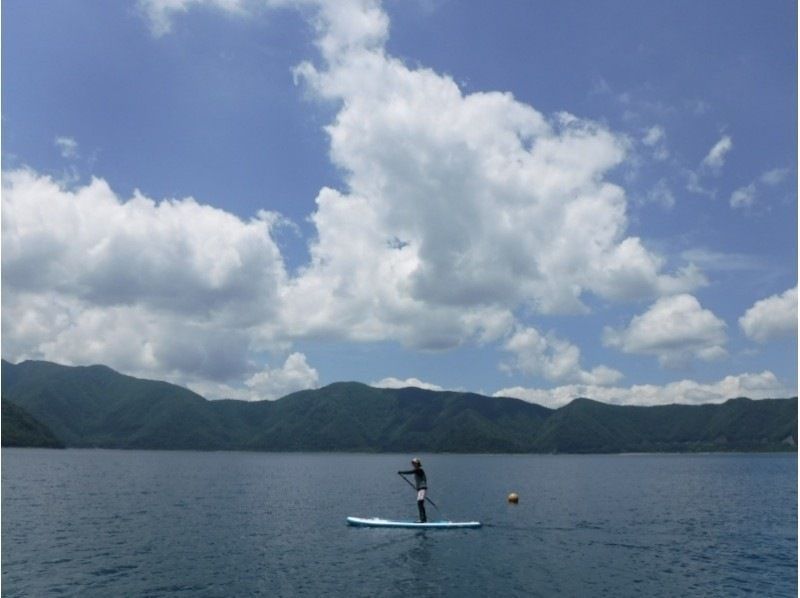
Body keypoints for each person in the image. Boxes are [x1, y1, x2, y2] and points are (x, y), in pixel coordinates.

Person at [398, 457, 428, 522]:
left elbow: (410, 472)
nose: (413, 464)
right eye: (413, 463)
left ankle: (423, 520)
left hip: (422, 488)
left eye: (414, 463)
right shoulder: (417, 470)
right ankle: (423, 519)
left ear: (418, 464)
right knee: (420, 503)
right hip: (420, 489)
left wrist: (401, 472)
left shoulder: (419, 470)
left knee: (420, 502)